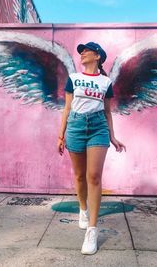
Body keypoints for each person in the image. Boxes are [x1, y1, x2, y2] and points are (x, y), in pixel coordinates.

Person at [57, 42, 126, 255]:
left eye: (86, 50)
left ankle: (92, 230)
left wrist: (113, 136)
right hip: (76, 127)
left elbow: (107, 112)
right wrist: (61, 135)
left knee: (94, 176)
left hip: (98, 128)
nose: (82, 53)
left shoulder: (106, 82)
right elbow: (67, 108)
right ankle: (83, 209)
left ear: (97, 56)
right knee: (79, 176)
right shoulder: (74, 79)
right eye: (81, 51)